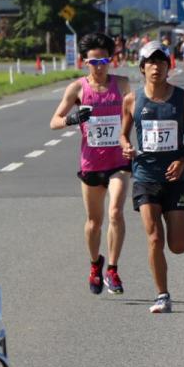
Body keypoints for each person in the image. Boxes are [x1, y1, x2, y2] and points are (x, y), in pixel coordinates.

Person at [121, 41, 184, 314]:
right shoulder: (132, 100)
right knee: (154, 237)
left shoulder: (183, 98)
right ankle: (162, 295)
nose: (156, 67)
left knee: (178, 245)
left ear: (169, 67)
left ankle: (183, 221)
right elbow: (123, 133)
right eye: (150, 63)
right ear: (142, 68)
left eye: (161, 62)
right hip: (145, 175)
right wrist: (125, 146)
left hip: (175, 177)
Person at [49, 32, 132, 296]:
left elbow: (137, 113)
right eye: (93, 61)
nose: (99, 66)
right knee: (94, 222)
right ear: (85, 61)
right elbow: (54, 121)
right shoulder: (77, 89)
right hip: (91, 163)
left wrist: (132, 141)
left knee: (116, 212)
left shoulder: (122, 84)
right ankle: (96, 263)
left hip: (118, 161)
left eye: (104, 60)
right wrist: (72, 120)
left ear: (111, 60)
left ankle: (113, 269)